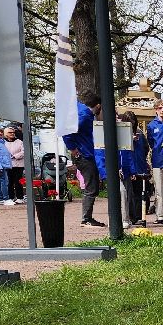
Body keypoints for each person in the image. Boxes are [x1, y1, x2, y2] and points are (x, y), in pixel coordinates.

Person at [62, 92, 105, 227]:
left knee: (91, 186)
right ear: (98, 106)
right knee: (91, 187)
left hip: (84, 153)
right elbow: (67, 132)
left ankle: (87, 218)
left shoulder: (79, 110)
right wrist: (72, 148)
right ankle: (86, 219)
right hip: (85, 155)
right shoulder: (85, 115)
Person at [119, 111, 150, 227]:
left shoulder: (140, 133)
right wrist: (129, 140)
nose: (131, 125)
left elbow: (146, 148)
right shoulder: (121, 133)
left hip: (139, 166)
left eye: (133, 122)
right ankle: (130, 216)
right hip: (128, 167)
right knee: (128, 193)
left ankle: (139, 216)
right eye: (128, 122)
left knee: (139, 192)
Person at [4, 126, 25, 201]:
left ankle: (20, 197)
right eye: (10, 132)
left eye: (13, 132)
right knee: (9, 182)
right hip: (8, 165)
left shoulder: (19, 142)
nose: (12, 134)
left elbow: (24, 151)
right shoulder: (3, 142)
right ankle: (11, 197)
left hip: (19, 165)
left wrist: (15, 156)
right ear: (6, 134)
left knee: (18, 181)